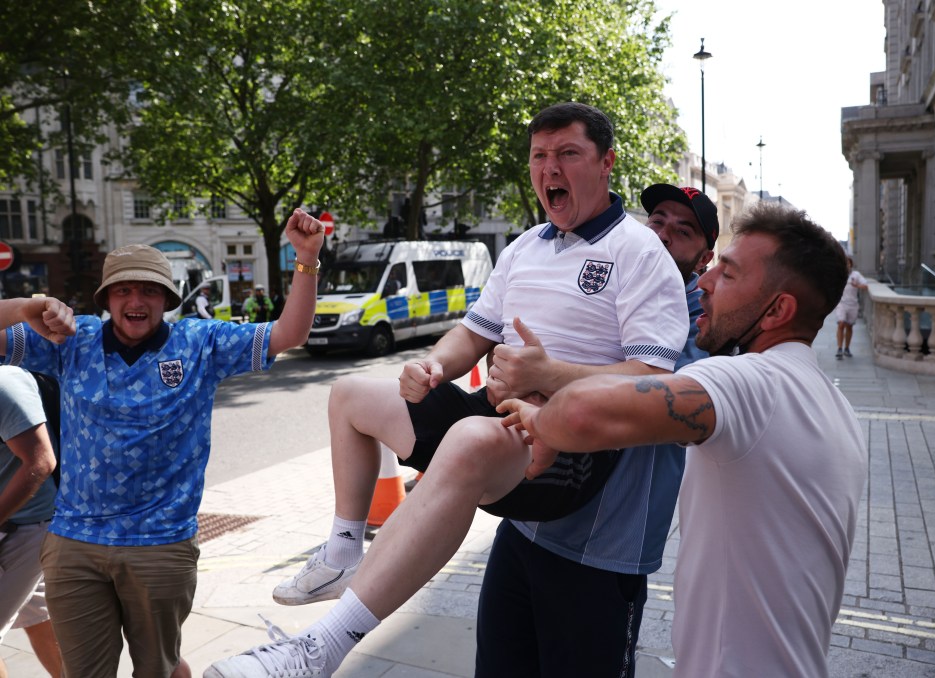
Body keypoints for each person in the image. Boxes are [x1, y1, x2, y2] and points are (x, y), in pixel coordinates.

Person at [204, 102, 689, 678]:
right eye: (539, 155)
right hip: (495, 423)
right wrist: (433, 367)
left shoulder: (638, 252)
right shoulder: (525, 246)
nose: (549, 168)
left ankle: (319, 650)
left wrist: (548, 376)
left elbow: (655, 380)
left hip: (567, 445)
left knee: (466, 441)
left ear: (606, 163)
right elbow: (472, 333)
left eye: (568, 154)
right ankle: (341, 549)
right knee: (351, 394)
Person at [498, 202, 868, 678]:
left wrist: (542, 416)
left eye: (728, 275)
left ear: (778, 310)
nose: (706, 282)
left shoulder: (748, 381)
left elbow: (581, 412)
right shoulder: (835, 406)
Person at [0, 208, 324, 678]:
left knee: (158, 670)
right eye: (124, 289)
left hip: (160, 545)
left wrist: (307, 258)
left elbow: (288, 334)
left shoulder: (200, 341)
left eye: (149, 290)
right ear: (107, 297)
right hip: (74, 544)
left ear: (167, 298)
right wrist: (26, 307)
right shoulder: (73, 339)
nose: (136, 299)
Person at [475, 183, 718, 678]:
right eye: (658, 221)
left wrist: (545, 374)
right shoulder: (608, 280)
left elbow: (659, 396)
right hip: (525, 523)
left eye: (684, 230)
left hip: (606, 548)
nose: (665, 234)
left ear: (705, 256)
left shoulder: (704, 326)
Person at [0, 367, 62, 678]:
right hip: (15, 528)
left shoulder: (3, 385)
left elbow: (40, 461)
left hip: (25, 529)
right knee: (39, 621)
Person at [835, 254, 867, 359]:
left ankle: (847, 348)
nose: (847, 265)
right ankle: (839, 348)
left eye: (848, 263)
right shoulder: (838, 274)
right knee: (841, 324)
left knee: (849, 326)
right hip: (842, 304)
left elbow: (865, 286)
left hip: (853, 304)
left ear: (851, 264)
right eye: (845, 263)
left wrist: (856, 285)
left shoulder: (856, 275)